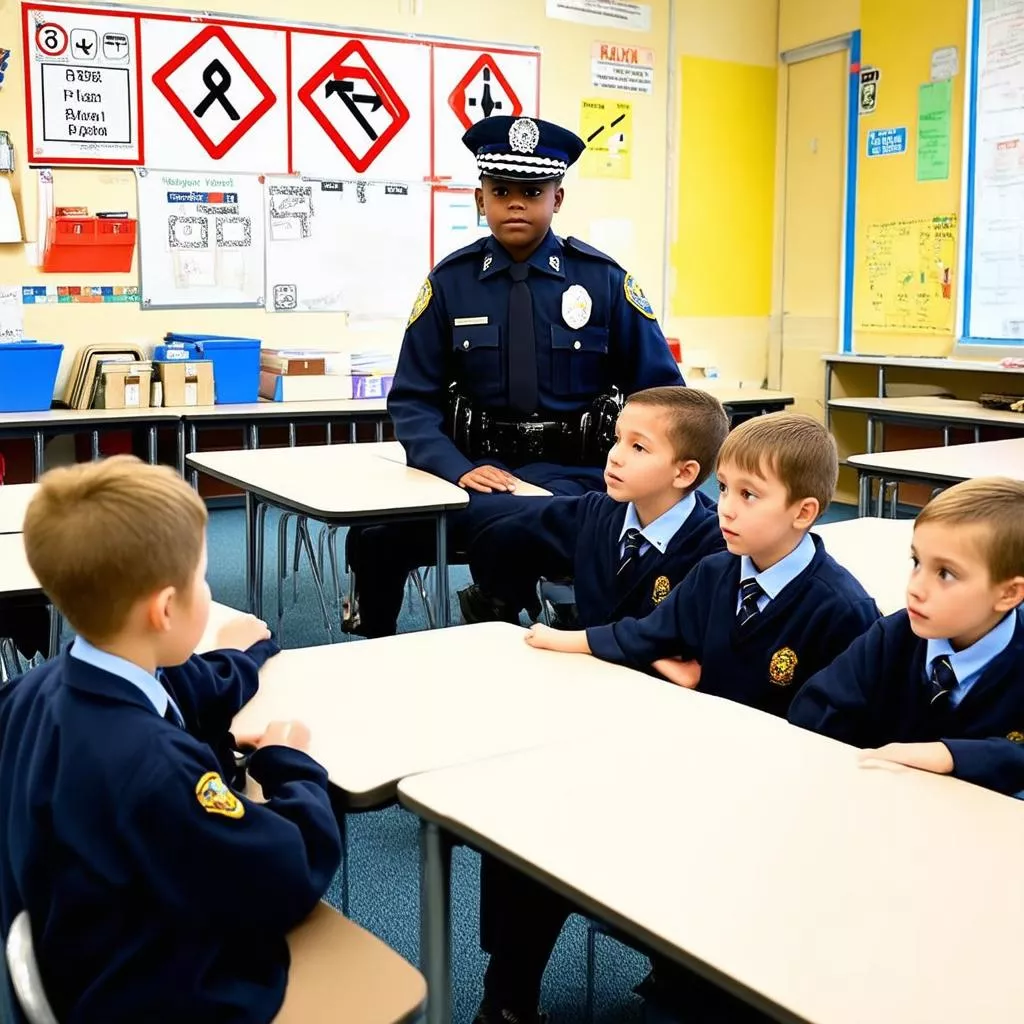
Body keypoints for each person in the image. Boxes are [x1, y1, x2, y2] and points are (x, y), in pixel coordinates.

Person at [475, 413, 881, 1024]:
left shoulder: (841, 609)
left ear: (804, 512)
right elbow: (648, 634)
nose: (726, 510)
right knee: (530, 817)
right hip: (692, 760)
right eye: (724, 491)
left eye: (749, 496)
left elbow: (829, 735)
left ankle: (685, 975)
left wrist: (710, 694)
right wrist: (565, 639)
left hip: (773, 800)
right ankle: (508, 999)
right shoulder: (717, 571)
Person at [0, 457, 342, 1023]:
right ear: (163, 608)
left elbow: (180, 684)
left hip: (77, 953)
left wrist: (241, 662)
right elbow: (285, 873)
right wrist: (290, 761)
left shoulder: (29, 693)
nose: (206, 590)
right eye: (203, 578)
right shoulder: (156, 767)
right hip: (149, 993)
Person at [345, 114, 683, 637]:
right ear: (481, 200)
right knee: (376, 535)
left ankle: (512, 605)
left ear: (558, 198)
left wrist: (634, 464)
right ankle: (379, 650)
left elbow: (664, 397)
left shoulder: (604, 281)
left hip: (577, 473)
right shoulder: (450, 284)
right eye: (501, 190)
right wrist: (455, 467)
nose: (517, 203)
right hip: (478, 469)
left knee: (540, 522)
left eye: (533, 190)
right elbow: (413, 401)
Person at [790, 476, 1024, 796]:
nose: (915, 587)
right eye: (917, 562)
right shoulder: (893, 636)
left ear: (1009, 593)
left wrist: (953, 755)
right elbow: (813, 707)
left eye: (946, 574)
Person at [464, 386, 730, 627]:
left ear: (684, 473)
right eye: (617, 439)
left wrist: (579, 642)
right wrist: (502, 596)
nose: (614, 456)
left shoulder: (715, 547)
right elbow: (507, 530)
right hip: (586, 669)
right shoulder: (597, 511)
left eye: (638, 447)